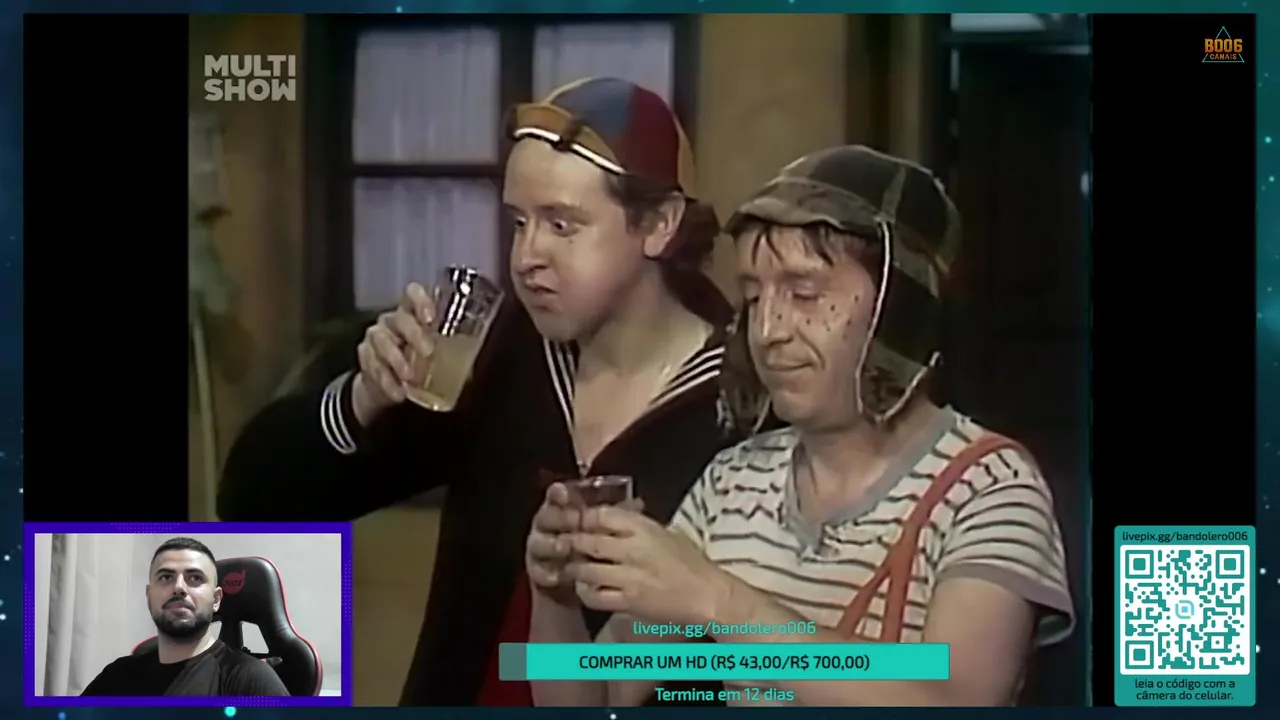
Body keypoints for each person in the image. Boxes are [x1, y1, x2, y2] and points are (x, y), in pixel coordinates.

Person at [219, 78, 753, 706]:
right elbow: (251, 501)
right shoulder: (491, 353)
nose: (526, 256)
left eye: (562, 224)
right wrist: (363, 399)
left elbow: (758, 669)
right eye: (519, 222)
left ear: (659, 224)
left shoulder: (741, 401)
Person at [526, 145, 1075, 707]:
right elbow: (598, 699)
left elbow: (955, 699)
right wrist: (554, 601)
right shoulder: (732, 483)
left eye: (804, 294)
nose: (767, 331)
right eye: (754, 296)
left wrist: (718, 601)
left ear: (898, 310)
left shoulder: (989, 486)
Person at [80, 537, 289, 697]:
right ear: (149, 596)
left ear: (216, 599)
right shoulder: (117, 676)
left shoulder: (251, 681)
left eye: (195, 578)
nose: (179, 587)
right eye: (166, 577)